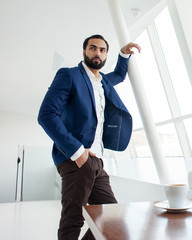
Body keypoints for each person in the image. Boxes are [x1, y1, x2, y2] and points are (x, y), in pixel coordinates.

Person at [38, 34, 141, 240]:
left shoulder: (103, 81)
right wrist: (77, 152)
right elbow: (46, 115)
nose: (97, 53)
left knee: (112, 219)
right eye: (93, 48)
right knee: (73, 219)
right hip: (77, 158)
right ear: (84, 51)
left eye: (102, 50)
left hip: (96, 160)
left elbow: (119, 75)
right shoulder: (70, 75)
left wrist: (123, 54)